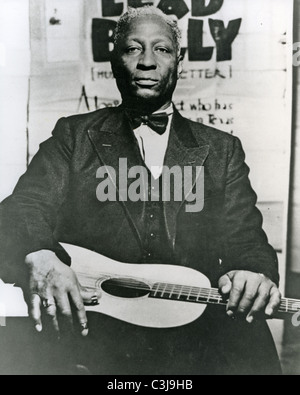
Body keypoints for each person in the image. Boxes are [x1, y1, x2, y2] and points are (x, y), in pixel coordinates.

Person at [0, 6, 282, 375]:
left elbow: (246, 240)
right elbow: (22, 209)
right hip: (96, 338)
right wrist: (39, 253)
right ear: (114, 58)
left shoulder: (221, 149)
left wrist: (250, 271)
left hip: (193, 343)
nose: (147, 61)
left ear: (179, 60)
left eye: (162, 49)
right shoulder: (73, 135)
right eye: (133, 49)